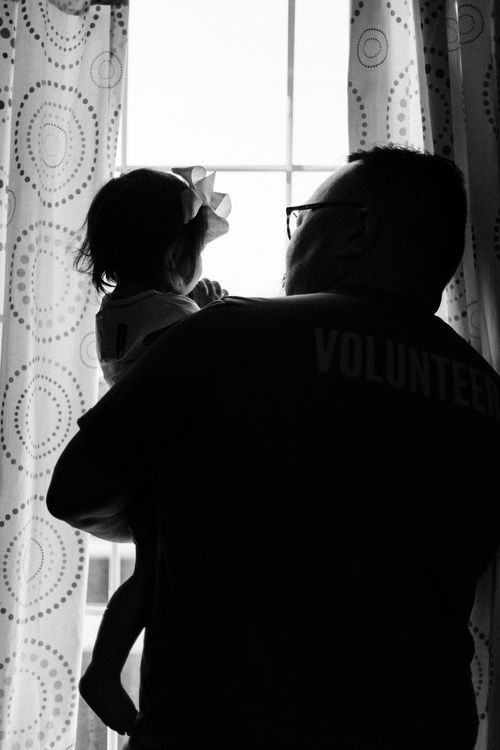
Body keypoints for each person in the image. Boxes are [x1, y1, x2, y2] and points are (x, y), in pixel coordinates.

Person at [47, 146, 500, 749]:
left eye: (303, 218)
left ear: (359, 231)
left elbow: (75, 493)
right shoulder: (487, 394)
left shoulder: (226, 336)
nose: (292, 239)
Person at [73, 165, 231, 736]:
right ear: (174, 253)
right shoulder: (169, 317)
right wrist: (207, 316)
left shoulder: (122, 307)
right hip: (166, 468)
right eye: (198, 251)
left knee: (151, 574)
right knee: (158, 579)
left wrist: (193, 308)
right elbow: (193, 368)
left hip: (140, 461)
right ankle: (103, 673)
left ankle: (105, 671)